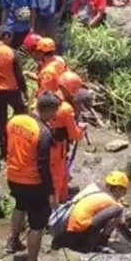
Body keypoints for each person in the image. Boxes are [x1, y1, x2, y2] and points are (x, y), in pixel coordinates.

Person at [4, 92, 59, 261]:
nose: (54, 117)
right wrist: (51, 192)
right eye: (54, 112)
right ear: (49, 110)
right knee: (37, 224)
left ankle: (13, 241)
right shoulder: (43, 132)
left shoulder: (14, 121)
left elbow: (7, 145)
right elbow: (43, 166)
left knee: (20, 205)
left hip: (13, 175)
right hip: (33, 181)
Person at [53, 171, 131, 252]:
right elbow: (121, 225)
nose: (125, 193)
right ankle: (102, 241)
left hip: (64, 226)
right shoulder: (113, 202)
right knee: (118, 210)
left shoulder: (95, 186)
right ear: (117, 188)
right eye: (124, 191)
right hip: (79, 237)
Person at [0, 25, 27, 161]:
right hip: (12, 90)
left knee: (0, 123)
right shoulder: (12, 52)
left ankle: (5, 150)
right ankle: (22, 142)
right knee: (22, 114)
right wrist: (24, 90)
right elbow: (18, 74)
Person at [49, 71, 88, 203]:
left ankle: (62, 199)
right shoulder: (66, 109)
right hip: (57, 148)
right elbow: (75, 135)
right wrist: (81, 129)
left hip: (45, 144)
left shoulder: (46, 97)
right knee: (58, 178)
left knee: (59, 176)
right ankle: (57, 207)